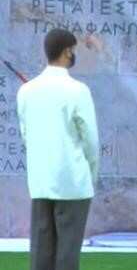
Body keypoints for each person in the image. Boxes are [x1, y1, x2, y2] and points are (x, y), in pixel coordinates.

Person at [17, 29, 99, 270]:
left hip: (41, 181)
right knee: (67, 254)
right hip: (72, 182)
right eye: (73, 50)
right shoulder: (78, 90)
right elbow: (91, 141)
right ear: (67, 52)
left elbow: (26, 136)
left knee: (41, 254)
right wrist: (90, 176)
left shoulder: (26, 91)